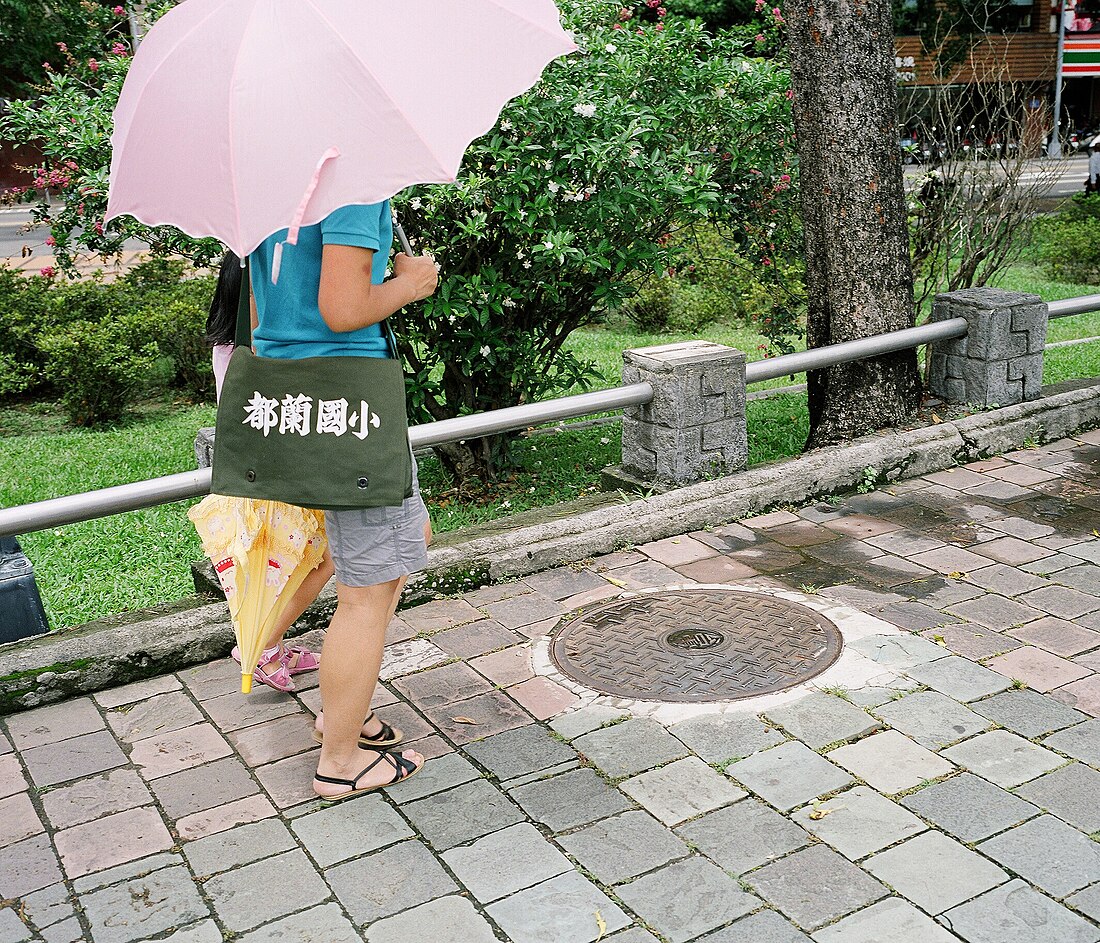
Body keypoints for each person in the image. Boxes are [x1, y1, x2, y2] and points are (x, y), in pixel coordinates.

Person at [247, 201, 437, 800]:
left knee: (401, 549)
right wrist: (410, 284)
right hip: (349, 397)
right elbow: (343, 309)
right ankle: (340, 757)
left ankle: (346, 713)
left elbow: (260, 310)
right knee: (371, 585)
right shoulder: (353, 184)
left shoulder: (274, 180)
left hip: (290, 393)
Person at [206, 249, 333, 693]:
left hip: (261, 471)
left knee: (290, 564)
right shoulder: (262, 347)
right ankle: (260, 646)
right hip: (287, 471)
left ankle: (270, 647)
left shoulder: (228, 347)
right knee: (321, 559)